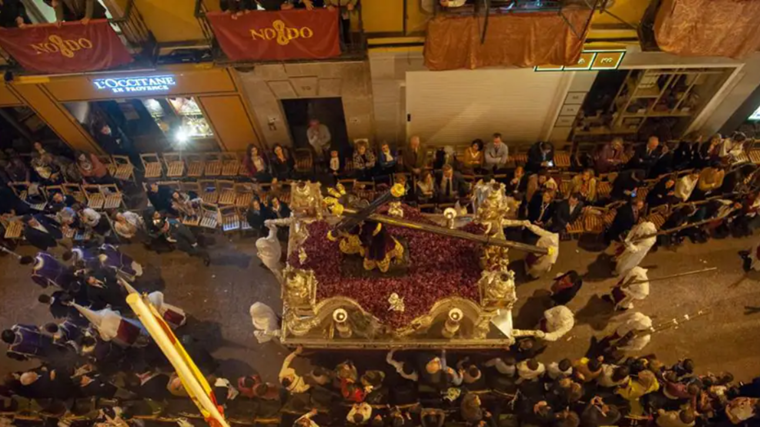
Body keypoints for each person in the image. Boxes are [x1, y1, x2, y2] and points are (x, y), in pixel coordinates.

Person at [74, 304, 149, 348]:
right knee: (138, 330)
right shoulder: (105, 312)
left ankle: (144, 344)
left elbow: (106, 338)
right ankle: (148, 334)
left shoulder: (101, 328)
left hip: (121, 334)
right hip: (125, 324)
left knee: (133, 340)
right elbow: (117, 312)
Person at [2, 324, 67, 362]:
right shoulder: (17, 327)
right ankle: (66, 349)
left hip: (40, 352)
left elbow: (22, 358)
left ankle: (63, 360)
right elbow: (34, 327)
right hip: (44, 339)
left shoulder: (12, 349)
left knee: (52, 357)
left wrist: (27, 358)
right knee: (57, 345)